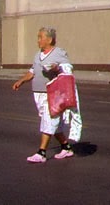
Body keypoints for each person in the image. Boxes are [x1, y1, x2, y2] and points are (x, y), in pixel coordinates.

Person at [12, 25, 81, 162]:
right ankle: (66, 147)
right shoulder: (38, 55)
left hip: (52, 94)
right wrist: (21, 81)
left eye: (40, 37)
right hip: (38, 94)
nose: (38, 40)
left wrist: (57, 67)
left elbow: (68, 69)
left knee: (48, 121)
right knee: (54, 124)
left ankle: (41, 153)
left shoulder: (59, 53)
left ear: (49, 40)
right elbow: (32, 71)